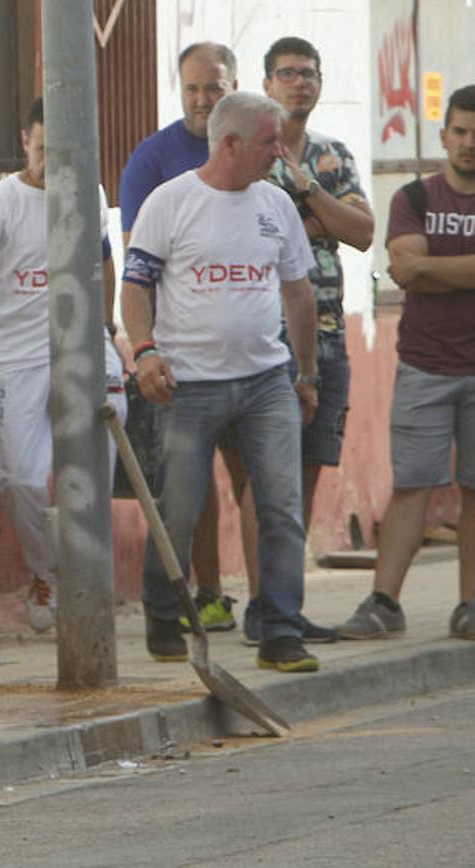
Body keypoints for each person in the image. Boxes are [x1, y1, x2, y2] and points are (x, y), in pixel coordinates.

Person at [122, 91, 322, 672]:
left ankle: (282, 629)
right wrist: (144, 352)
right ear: (230, 142)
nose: (278, 154)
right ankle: (163, 609)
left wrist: (305, 374)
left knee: (281, 506)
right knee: (178, 508)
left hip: (266, 381)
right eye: (269, 142)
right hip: (188, 385)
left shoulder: (277, 205)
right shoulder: (171, 202)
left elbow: (298, 293)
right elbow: (135, 287)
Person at [0, 96, 127, 634]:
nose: (52, 159)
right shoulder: (2, 202)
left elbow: (103, 258)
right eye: (44, 147)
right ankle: (46, 573)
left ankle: (87, 570)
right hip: (17, 358)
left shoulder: (88, 190)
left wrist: (109, 328)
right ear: (26, 142)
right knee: (20, 478)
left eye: (62, 149)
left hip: (86, 348)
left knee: (108, 439)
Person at [239, 36, 374, 645]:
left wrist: (309, 193)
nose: (299, 83)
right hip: (263, 337)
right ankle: (260, 604)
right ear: (266, 84)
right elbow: (253, 234)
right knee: (265, 478)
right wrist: (319, 222)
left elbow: (364, 234)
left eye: (309, 74)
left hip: (326, 333)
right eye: (287, 74)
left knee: (308, 472)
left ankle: (286, 604)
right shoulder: (246, 156)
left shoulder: (332, 156)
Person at [336, 85, 475, 640]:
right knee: (412, 487)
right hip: (425, 366)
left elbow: (417, 269)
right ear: (444, 137)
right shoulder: (413, 199)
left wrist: (428, 267)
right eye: (461, 132)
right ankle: (382, 604)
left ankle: (469, 606)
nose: (469, 143)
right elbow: (402, 266)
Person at [119, 41, 246, 634]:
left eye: (214, 87)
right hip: (178, 355)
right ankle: (206, 595)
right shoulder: (151, 159)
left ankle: (272, 605)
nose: (202, 100)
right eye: (192, 88)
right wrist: (145, 348)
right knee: (189, 487)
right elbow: (135, 268)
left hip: (251, 356)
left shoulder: (254, 151)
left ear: (235, 87)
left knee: (259, 480)